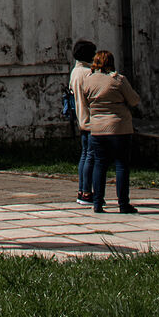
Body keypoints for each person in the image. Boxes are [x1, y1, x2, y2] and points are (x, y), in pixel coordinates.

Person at [78, 49, 141, 213]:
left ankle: (97, 203)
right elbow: (134, 100)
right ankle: (123, 203)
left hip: (97, 128)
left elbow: (85, 101)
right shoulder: (118, 80)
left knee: (100, 165)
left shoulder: (89, 81)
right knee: (121, 166)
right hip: (118, 127)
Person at [68, 37, 97, 205]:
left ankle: (82, 189)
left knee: (85, 154)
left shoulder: (75, 71)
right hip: (91, 119)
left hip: (81, 118)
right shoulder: (88, 73)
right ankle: (86, 192)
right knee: (91, 156)